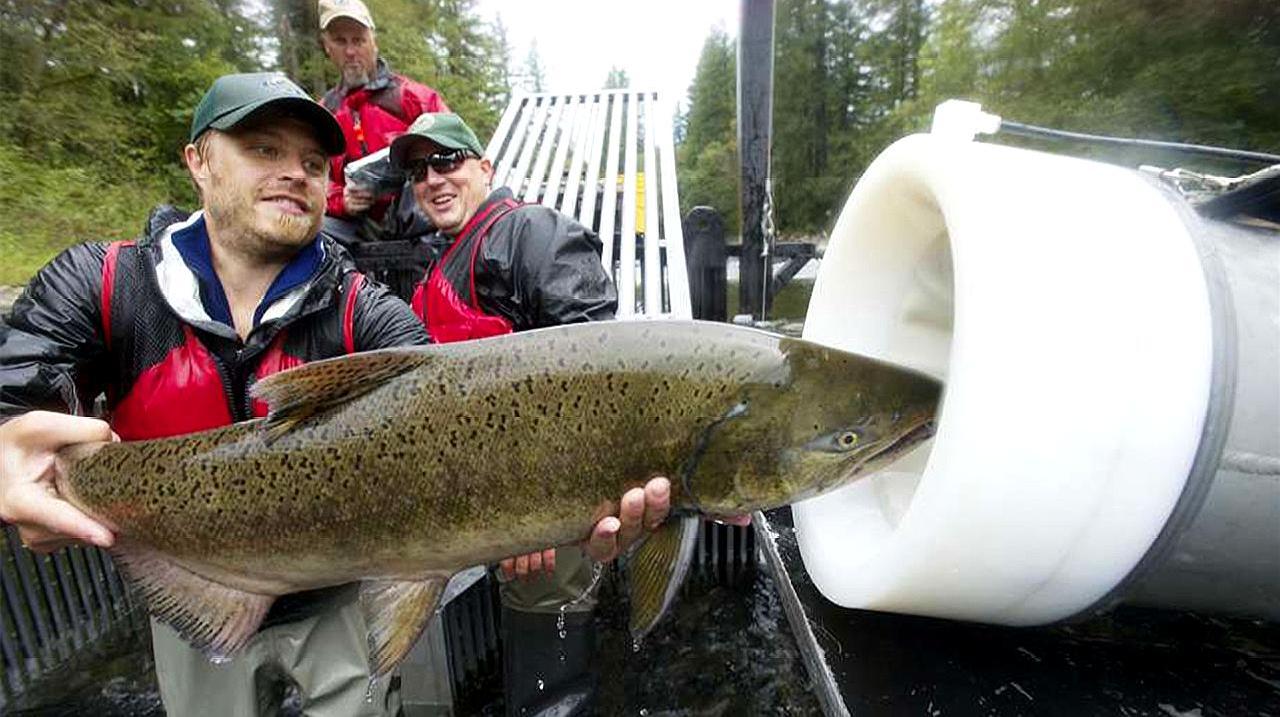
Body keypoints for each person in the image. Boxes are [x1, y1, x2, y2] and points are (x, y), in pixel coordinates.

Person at [0, 73, 671, 717]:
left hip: (339, 598)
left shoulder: (368, 312)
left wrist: (539, 507)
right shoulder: (100, 280)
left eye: (314, 162)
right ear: (198, 161)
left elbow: (453, 424)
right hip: (190, 576)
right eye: (263, 149)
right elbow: (16, 383)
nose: (295, 171)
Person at [386, 112, 618, 716]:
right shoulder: (438, 262)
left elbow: (596, 372)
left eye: (447, 162)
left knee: (553, 681)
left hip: (542, 496)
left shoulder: (534, 232)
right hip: (472, 496)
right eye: (418, 170)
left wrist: (533, 507)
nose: (432, 179)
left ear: (485, 168)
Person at [317, 0, 448, 245]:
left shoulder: (414, 98)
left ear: (373, 42)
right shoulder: (324, 112)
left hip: (422, 222)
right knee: (309, 234)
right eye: (340, 41)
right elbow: (313, 175)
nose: (350, 52)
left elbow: (456, 153)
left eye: (358, 40)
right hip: (355, 229)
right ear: (327, 47)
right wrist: (341, 200)